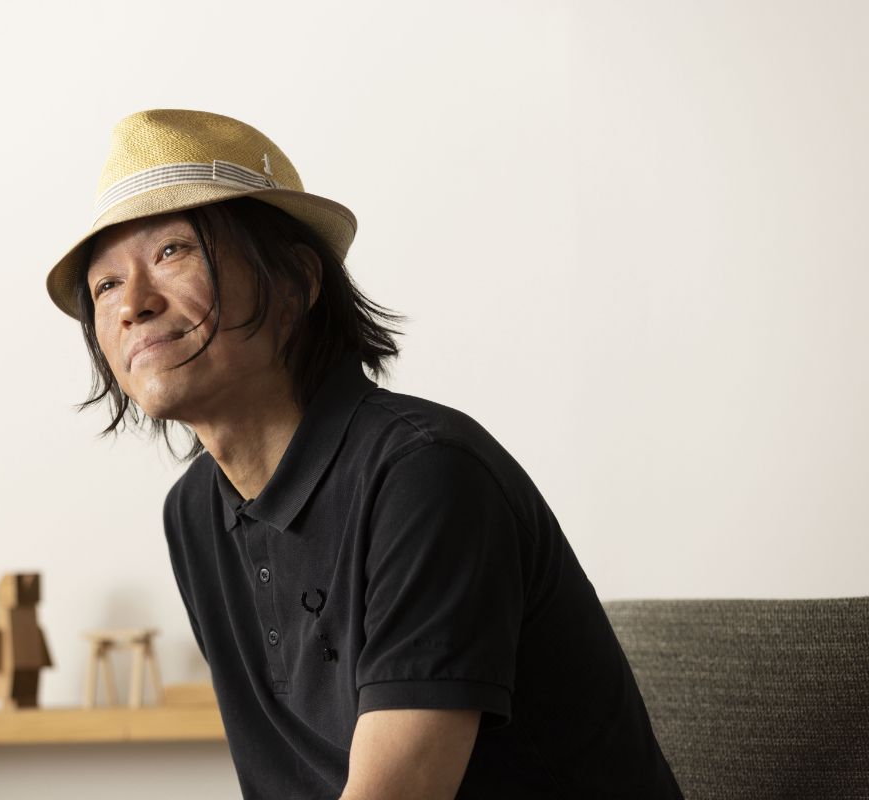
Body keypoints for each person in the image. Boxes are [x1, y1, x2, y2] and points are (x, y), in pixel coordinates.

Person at [45, 109, 683, 800]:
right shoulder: (195, 513)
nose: (132, 304)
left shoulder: (426, 475)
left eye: (172, 250)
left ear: (295, 282)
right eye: (105, 285)